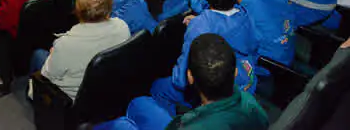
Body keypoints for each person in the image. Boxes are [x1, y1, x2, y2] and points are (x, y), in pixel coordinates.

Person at [96, 34, 268, 130]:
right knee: (141, 102)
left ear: (190, 77)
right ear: (235, 72)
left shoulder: (188, 127)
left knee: (124, 121)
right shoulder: (253, 103)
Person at [152, 0, 259, 116]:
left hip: (216, 98)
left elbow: (180, 80)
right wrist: (201, 19)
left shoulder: (200, 27)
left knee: (158, 88)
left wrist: (199, 23)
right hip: (246, 83)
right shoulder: (245, 14)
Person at [33, 0, 130, 100]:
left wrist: (53, 54)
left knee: (38, 55)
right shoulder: (123, 27)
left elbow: (47, 75)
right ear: (110, 7)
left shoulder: (65, 44)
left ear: (78, 10)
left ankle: (34, 94)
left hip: (75, 98)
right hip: (109, 89)